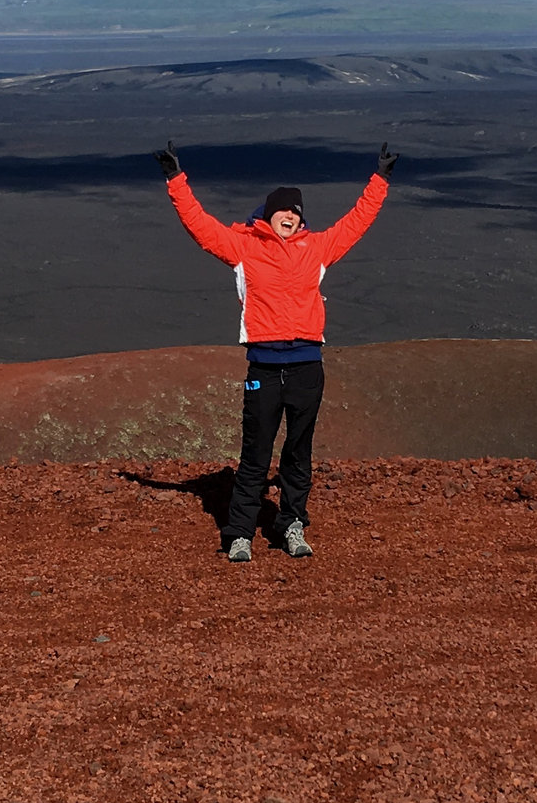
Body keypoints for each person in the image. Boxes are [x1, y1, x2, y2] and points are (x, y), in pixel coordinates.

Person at [156, 142, 397, 562]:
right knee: (255, 455)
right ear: (268, 214)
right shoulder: (243, 248)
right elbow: (199, 225)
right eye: (284, 210)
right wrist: (176, 179)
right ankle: (240, 533)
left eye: (297, 212)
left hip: (307, 366)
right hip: (264, 368)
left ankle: (292, 524)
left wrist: (380, 180)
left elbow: (356, 223)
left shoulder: (317, 249)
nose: (291, 216)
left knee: (298, 455)